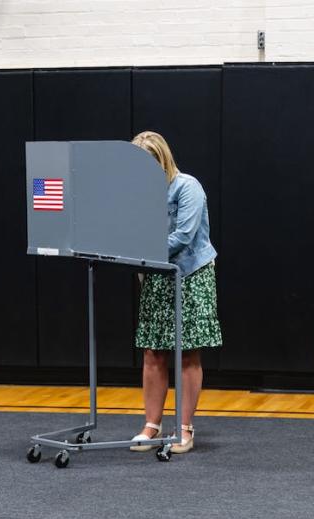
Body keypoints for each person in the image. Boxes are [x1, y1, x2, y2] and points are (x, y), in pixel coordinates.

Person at [129, 131, 222, 455]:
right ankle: (151, 426)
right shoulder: (139, 195)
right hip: (157, 276)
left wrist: (140, 251)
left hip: (191, 275)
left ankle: (184, 429)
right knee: (153, 352)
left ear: (162, 159)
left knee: (188, 352)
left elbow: (183, 236)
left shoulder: (187, 186)